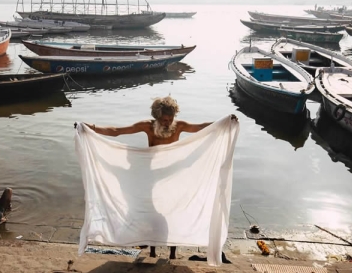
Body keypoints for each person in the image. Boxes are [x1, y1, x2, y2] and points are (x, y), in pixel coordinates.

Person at [83, 96, 237, 260]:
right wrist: (90, 128)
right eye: (164, 119)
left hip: (173, 176)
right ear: (157, 117)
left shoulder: (178, 127)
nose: (168, 123)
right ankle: (152, 251)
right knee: (151, 213)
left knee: (173, 213)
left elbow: (202, 127)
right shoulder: (148, 127)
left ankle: (172, 254)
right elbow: (117, 131)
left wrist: (225, 121)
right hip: (152, 177)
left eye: (170, 119)